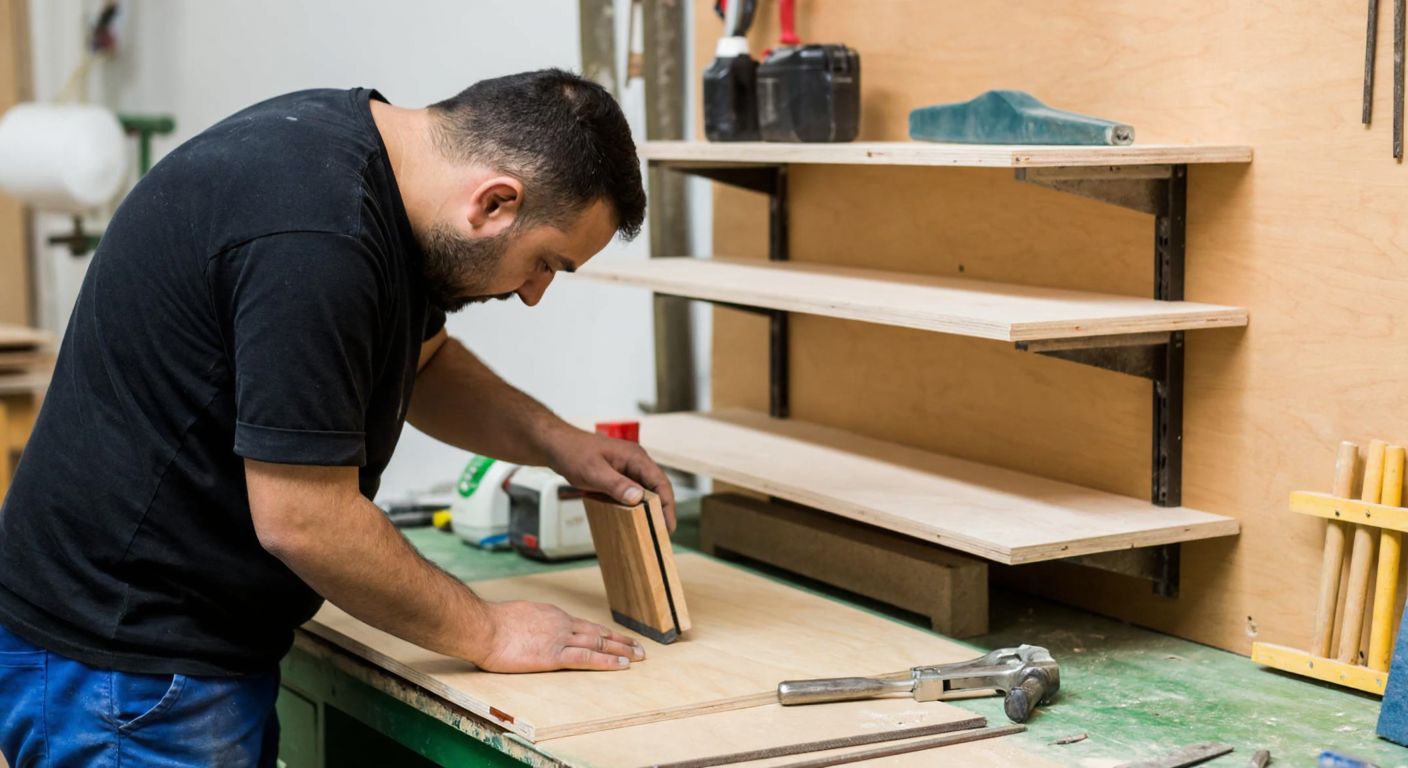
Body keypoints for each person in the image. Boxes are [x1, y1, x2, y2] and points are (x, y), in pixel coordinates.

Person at [0, 68, 674, 767]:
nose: (534, 294)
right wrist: (489, 632)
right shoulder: (316, 236)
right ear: (494, 202)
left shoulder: (362, 162)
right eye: (545, 263)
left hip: (162, 646)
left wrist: (559, 444)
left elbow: (426, 362)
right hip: (126, 668)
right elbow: (304, 519)